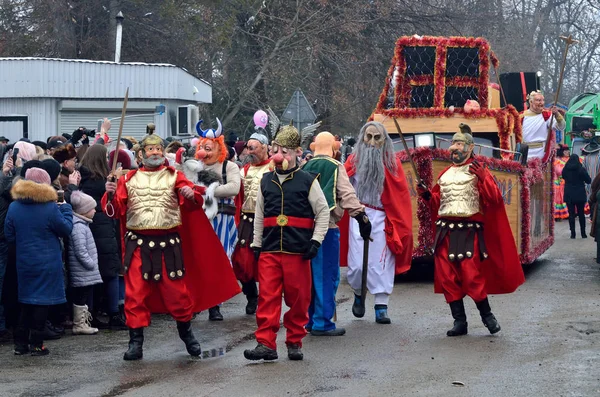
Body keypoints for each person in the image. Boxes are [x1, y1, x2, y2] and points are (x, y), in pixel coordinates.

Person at [101, 129, 240, 360]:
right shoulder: (127, 179)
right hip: (138, 245)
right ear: (141, 154)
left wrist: (190, 193)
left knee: (177, 294)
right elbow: (115, 211)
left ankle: (187, 334)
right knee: (134, 295)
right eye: (150, 149)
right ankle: (136, 342)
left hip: (168, 245)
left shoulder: (175, 176)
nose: (155, 153)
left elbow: (195, 203)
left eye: (158, 149)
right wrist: (110, 194)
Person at [418, 123, 525, 337]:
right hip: (445, 232)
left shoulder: (479, 170)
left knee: (471, 275)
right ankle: (460, 322)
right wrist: (428, 195)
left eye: (458, 143)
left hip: (469, 232)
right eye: (453, 143)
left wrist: (485, 177)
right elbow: (441, 203)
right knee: (447, 277)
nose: (453, 148)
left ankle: (487, 316)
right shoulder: (445, 174)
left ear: (469, 147)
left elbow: (494, 199)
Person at [243, 123, 329, 362]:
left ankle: (294, 341)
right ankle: (265, 343)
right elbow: (259, 214)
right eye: (277, 150)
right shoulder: (265, 181)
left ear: (296, 153)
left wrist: (315, 241)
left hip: (298, 250)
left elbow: (322, 213)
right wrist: (256, 243)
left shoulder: (308, 180)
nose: (280, 155)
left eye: (285, 151)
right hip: (270, 249)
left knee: (299, 299)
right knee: (267, 297)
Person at [341, 121, 413, 324]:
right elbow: (343, 184)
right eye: (368, 136)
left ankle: (381, 305)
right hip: (358, 214)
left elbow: (399, 197)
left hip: (381, 218)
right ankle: (358, 292)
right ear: (363, 137)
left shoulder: (392, 163)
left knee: (380, 262)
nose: (372, 142)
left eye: (377, 138)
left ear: (384, 140)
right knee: (356, 265)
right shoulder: (354, 160)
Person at [302, 132, 370, 336]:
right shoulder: (335, 166)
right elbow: (346, 194)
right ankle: (323, 323)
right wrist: (360, 216)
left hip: (305, 229)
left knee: (310, 277)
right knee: (327, 275)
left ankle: (310, 320)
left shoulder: (304, 167)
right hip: (327, 228)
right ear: (332, 147)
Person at [6, 167, 73, 355]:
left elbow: (9, 235)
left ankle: (20, 344)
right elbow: (66, 229)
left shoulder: (14, 206)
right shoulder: (50, 207)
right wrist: (66, 208)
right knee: (41, 302)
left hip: (24, 261)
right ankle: (37, 344)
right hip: (47, 260)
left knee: (26, 301)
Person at [194, 120, 241, 321]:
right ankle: (198, 302)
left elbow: (234, 188)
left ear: (218, 147)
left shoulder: (229, 166)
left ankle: (216, 305)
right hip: (199, 220)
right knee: (198, 260)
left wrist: (209, 191)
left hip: (221, 220)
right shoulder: (195, 166)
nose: (205, 151)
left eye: (209, 147)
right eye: (202, 147)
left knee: (220, 260)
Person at [79, 145, 127, 330]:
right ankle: (114, 313)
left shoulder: (82, 178)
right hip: (104, 226)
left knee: (91, 274)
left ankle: (91, 313)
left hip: (89, 227)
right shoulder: (102, 182)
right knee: (111, 272)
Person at [232, 131, 272, 315]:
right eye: (248, 148)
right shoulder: (244, 170)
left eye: (253, 147)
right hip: (247, 221)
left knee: (266, 264)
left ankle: (267, 299)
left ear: (264, 148)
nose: (249, 151)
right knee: (242, 262)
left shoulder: (274, 167)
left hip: (267, 221)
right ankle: (251, 295)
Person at [67, 191, 103, 335]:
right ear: (84, 211)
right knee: (80, 297)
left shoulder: (82, 225)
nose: (95, 210)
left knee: (83, 296)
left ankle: (82, 322)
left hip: (84, 270)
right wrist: (91, 264)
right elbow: (80, 250)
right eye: (92, 208)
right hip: (83, 270)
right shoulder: (79, 227)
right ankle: (79, 323)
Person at [521, 91, 566, 159]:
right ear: (531, 102)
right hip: (525, 152)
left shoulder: (546, 115)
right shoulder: (522, 116)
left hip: (541, 153)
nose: (542, 103)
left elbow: (561, 126)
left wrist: (557, 114)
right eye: (538, 100)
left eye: (543, 100)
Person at [562, 154, 592, 239]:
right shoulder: (581, 169)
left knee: (571, 214)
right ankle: (583, 233)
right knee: (581, 214)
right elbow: (588, 180)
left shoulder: (565, 169)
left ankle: (573, 234)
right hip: (579, 194)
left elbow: (563, 177)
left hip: (569, 194)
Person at [553, 144, 570, 220]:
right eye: (565, 151)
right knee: (560, 200)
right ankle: (559, 214)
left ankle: (568, 213)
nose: (567, 152)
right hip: (559, 183)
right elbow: (558, 171)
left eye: (568, 150)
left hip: (568, 183)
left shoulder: (571, 159)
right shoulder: (557, 161)